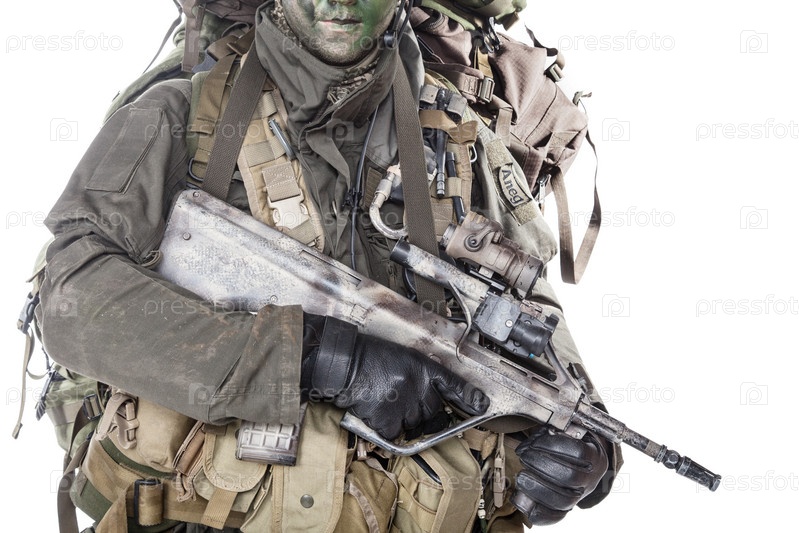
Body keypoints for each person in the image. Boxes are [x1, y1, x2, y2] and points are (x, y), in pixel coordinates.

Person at [37, 0, 620, 531]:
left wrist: (588, 451)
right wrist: (323, 359)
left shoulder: (465, 142)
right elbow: (71, 299)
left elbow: (538, 328)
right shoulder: (183, 115)